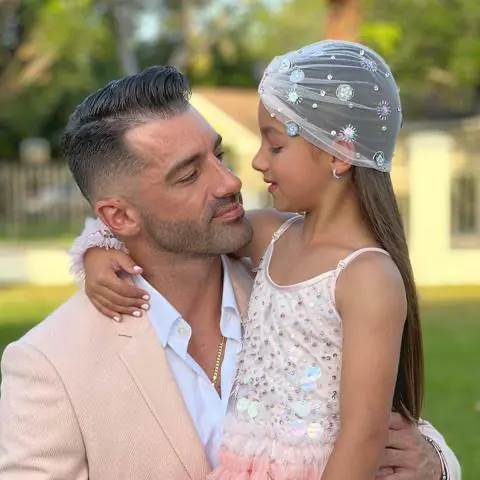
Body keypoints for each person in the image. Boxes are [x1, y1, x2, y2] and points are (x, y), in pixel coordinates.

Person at [0, 63, 459, 479]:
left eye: (218, 155)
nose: (232, 181)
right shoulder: (49, 365)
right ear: (118, 217)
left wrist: (435, 466)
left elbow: (373, 420)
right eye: (189, 175)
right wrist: (95, 247)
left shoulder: (292, 275)